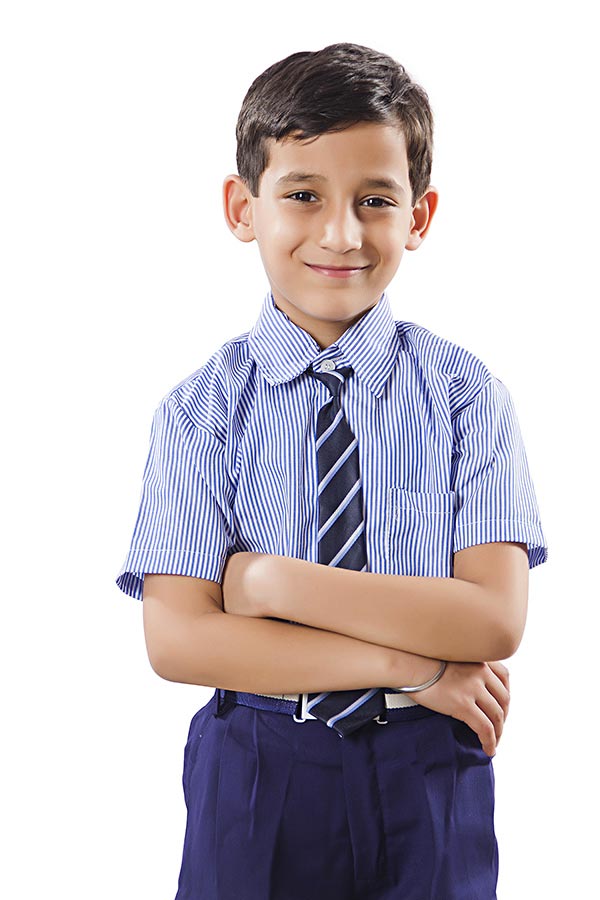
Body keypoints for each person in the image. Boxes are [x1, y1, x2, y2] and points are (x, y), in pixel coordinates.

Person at [115, 42, 548, 900]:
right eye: (304, 195)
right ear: (244, 207)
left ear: (419, 217)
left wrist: (270, 581)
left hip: (430, 765)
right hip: (258, 767)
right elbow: (179, 641)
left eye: (376, 200)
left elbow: (493, 620)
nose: (341, 233)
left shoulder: (467, 397)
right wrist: (412, 665)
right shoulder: (200, 411)